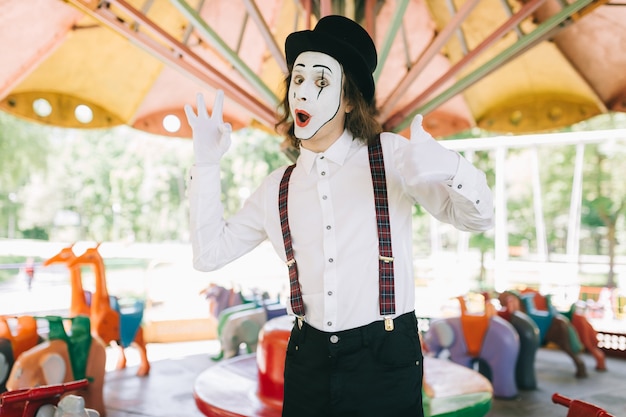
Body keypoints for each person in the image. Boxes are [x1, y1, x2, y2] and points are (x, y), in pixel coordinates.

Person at [185, 15, 494, 417]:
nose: (303, 93)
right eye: (298, 80)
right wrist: (206, 165)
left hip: (385, 358)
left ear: (349, 100)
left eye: (321, 82)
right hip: (308, 360)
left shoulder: (390, 155)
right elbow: (207, 255)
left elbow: (477, 219)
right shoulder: (277, 186)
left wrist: (453, 167)